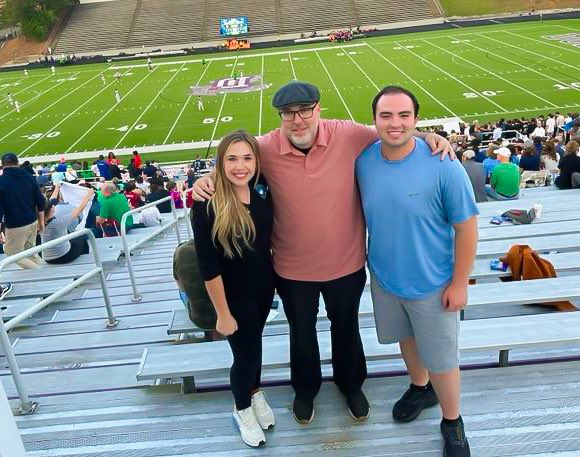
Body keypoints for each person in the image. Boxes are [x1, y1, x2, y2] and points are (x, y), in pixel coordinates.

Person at [193, 81, 454, 425]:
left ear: (318, 109)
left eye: (305, 110)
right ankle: (305, 390)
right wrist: (208, 177)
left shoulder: (346, 134)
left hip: (345, 263)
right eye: (289, 113)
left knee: (345, 328)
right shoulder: (267, 147)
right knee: (301, 333)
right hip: (291, 267)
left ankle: (351, 385)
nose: (298, 120)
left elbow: (390, 130)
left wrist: (430, 137)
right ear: (281, 117)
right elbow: (236, 156)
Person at [356, 86, 477, 457]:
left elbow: (467, 227)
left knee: (442, 358)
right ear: (374, 120)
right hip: (386, 276)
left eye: (404, 116)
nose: (395, 123)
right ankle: (420, 386)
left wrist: (460, 283)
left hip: (433, 280)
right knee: (406, 339)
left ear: (416, 120)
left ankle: (452, 421)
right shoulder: (363, 160)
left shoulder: (443, 164)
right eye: (386, 116)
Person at [191, 130, 276, 448]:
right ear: (219, 163)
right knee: (245, 357)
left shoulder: (259, 190)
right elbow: (208, 268)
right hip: (234, 297)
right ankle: (241, 408)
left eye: (247, 158)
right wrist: (223, 314)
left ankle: (255, 393)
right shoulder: (207, 205)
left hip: (264, 289)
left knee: (255, 349)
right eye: (231, 159)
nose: (240, 166)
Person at [0, 152, 46, 269]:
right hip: (32, 221)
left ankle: (38, 271)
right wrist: (41, 222)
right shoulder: (29, 177)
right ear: (17, 163)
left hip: (16, 225)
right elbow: (40, 201)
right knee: (30, 252)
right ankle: (37, 274)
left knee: (11, 252)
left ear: (2, 165)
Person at [41, 184, 93, 264]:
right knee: (81, 236)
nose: (54, 206)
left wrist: (57, 187)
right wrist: (88, 195)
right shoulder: (59, 221)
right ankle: (85, 264)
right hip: (63, 257)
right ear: (51, 210)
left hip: (47, 258)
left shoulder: (39, 221)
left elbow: (52, 200)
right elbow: (80, 209)